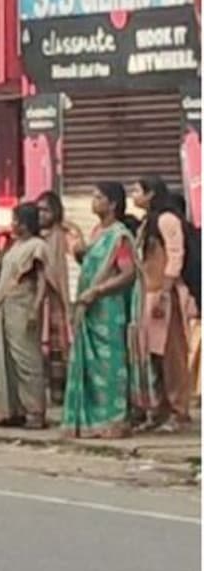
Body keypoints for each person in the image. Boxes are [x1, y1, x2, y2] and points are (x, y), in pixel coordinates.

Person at [62, 183, 140, 438]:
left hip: (108, 308)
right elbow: (90, 262)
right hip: (89, 308)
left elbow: (128, 273)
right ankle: (90, 420)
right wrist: (77, 247)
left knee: (109, 364)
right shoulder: (98, 232)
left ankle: (113, 420)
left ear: (112, 204)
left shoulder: (119, 236)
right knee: (90, 365)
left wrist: (98, 290)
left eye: (98, 197)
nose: (93, 202)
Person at [131, 176, 196, 431]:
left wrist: (165, 293)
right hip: (148, 293)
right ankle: (159, 410)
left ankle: (179, 412)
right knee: (153, 355)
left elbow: (175, 255)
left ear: (151, 194)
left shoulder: (167, 220)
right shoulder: (147, 222)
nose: (134, 195)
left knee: (171, 354)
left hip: (164, 293)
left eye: (138, 191)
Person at [0, 203, 49, 429]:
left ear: (26, 223)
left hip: (23, 307)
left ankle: (35, 412)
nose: (12, 224)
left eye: (16, 220)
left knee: (26, 360)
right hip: (5, 306)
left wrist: (35, 309)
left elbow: (42, 281)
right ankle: (13, 410)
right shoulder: (13, 246)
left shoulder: (37, 246)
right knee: (6, 360)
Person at [36, 191, 78, 406]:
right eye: (39, 210)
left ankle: (59, 395)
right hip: (36, 300)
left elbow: (80, 253)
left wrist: (74, 230)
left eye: (46, 210)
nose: (42, 214)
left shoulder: (63, 235)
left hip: (56, 299)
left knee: (58, 350)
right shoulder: (34, 238)